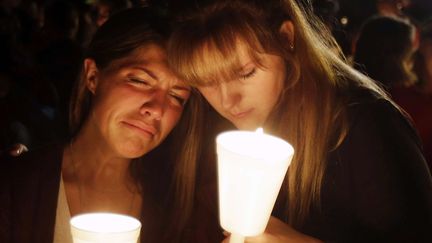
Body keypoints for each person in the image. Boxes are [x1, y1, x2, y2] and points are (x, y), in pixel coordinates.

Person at [167, 0, 432, 242]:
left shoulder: (365, 124)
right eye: (206, 82)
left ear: (286, 38)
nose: (227, 101)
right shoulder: (205, 128)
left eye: (245, 73)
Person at [0, 7, 202, 243]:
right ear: (93, 76)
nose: (157, 109)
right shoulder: (15, 186)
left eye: (177, 97)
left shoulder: (180, 210)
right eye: (139, 81)